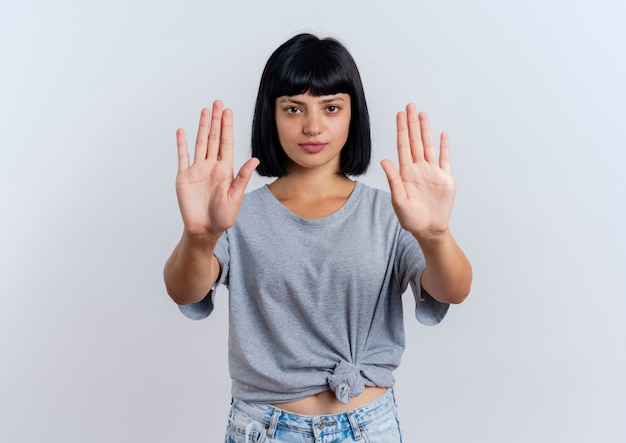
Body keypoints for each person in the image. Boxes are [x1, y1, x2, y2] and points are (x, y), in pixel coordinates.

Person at [164, 33, 472, 443]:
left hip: (368, 426)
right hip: (265, 428)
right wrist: (199, 236)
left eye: (331, 107)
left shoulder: (393, 211)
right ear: (270, 115)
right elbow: (184, 289)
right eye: (293, 108)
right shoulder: (235, 212)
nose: (312, 125)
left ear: (352, 115)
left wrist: (435, 235)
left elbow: (453, 289)